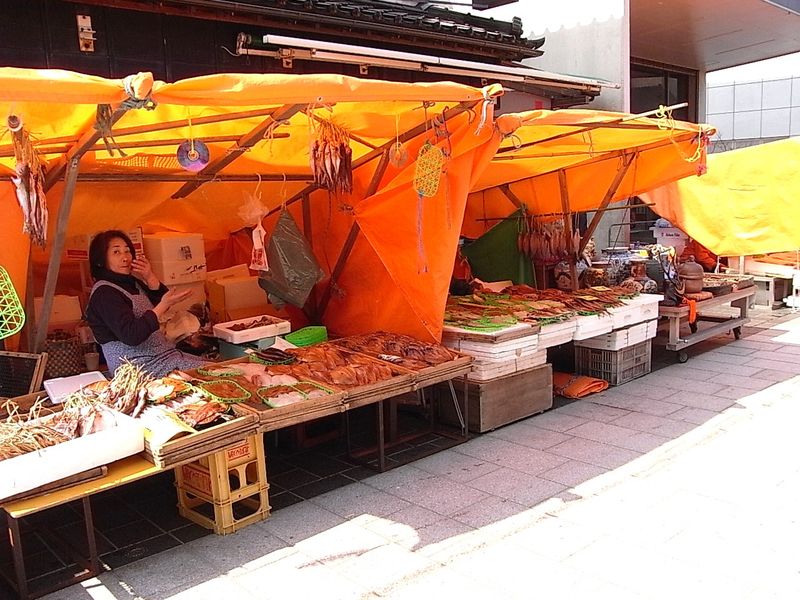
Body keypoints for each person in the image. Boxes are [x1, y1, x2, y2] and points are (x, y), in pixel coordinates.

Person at [85, 230, 207, 377]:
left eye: (127, 251)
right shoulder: (104, 294)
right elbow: (132, 335)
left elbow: (161, 301)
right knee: (215, 372)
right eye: (116, 252)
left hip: (163, 356)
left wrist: (149, 276)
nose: (125, 258)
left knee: (219, 368)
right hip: (137, 367)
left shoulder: (130, 282)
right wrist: (162, 305)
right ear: (100, 260)